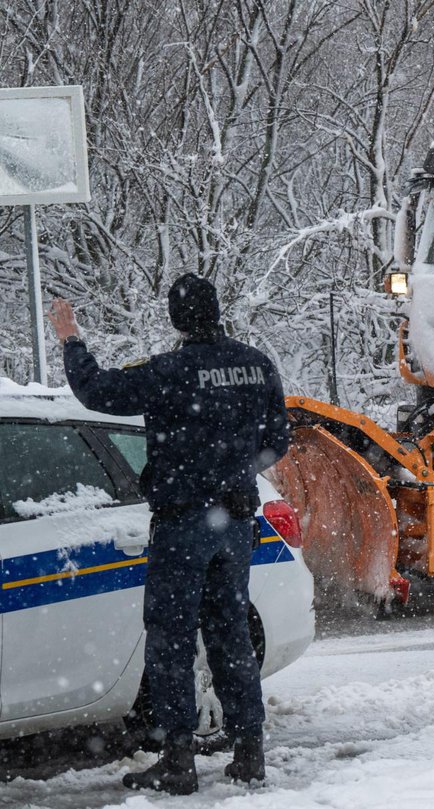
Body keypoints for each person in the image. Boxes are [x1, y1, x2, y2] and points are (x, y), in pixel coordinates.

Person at [49, 274, 290, 795]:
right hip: (236, 522)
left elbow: (96, 391)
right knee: (229, 636)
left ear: (178, 319)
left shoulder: (169, 371)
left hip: (184, 523)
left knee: (171, 640)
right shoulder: (257, 364)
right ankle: (250, 752)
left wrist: (70, 338)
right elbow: (278, 439)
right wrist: (236, 469)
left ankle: (178, 758)